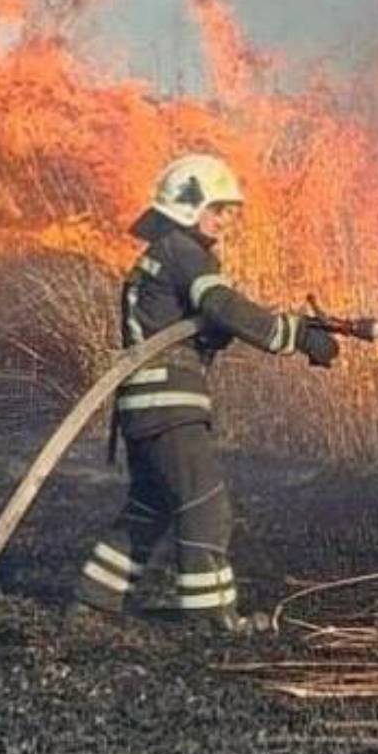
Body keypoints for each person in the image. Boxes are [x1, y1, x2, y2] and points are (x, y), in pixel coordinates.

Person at [73, 153, 340, 635]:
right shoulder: (183, 250)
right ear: (185, 205)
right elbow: (222, 306)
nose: (225, 220)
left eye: (229, 211)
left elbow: (197, 322)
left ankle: (95, 599)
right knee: (205, 502)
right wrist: (294, 335)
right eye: (217, 209)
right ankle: (211, 616)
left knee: (152, 504)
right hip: (167, 403)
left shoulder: (163, 254)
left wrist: (226, 332)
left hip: (146, 406)